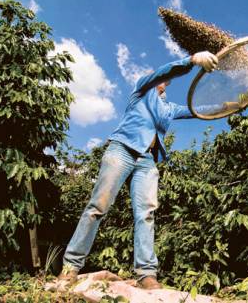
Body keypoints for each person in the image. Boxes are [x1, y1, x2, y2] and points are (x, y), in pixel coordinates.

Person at [56, 51, 220, 290]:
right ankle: (70, 267)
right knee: (98, 206)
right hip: (122, 149)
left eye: (166, 80)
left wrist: (231, 104)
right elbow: (163, 72)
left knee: (146, 213)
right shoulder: (141, 90)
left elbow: (197, 110)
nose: (163, 80)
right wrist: (192, 61)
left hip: (147, 160)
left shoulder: (168, 108)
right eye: (161, 78)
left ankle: (146, 274)